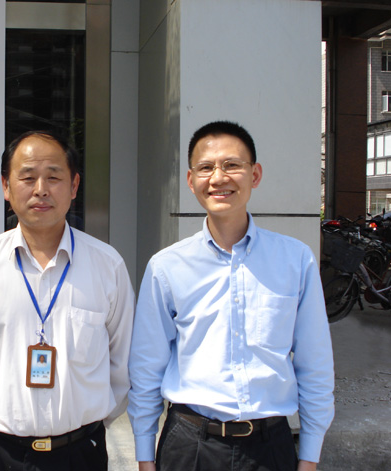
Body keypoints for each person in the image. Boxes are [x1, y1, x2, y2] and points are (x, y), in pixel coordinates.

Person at [128, 121, 334, 471]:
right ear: (191, 180)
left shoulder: (295, 260)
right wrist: (145, 455)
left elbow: (315, 364)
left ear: (255, 175)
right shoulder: (167, 267)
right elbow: (147, 367)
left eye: (232, 165)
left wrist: (310, 456)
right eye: (206, 167)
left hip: (270, 448)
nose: (218, 177)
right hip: (189, 446)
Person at [0, 130, 135, 471]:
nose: (41, 190)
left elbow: (120, 363)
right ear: (6, 187)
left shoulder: (107, 266)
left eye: (53, 177)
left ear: (74, 186)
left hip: (79, 454)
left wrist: (86, 425)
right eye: (27, 177)